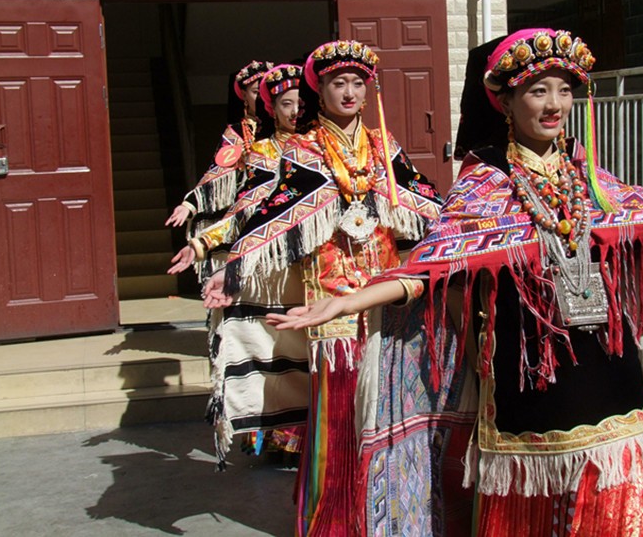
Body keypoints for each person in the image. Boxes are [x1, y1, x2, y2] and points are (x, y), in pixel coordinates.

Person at [272, 29, 643, 537]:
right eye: (538, 91)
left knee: (618, 497)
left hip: (606, 362)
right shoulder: (485, 183)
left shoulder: (590, 179)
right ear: (506, 101)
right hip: (526, 373)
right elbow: (431, 269)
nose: (554, 105)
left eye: (565, 91)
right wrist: (346, 302)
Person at [203, 40, 443, 536]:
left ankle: (390, 514)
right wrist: (232, 265)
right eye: (338, 83)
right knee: (339, 414)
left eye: (358, 83)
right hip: (328, 303)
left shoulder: (384, 147)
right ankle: (335, 518)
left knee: (385, 407)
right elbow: (262, 213)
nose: (349, 92)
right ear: (321, 89)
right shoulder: (301, 150)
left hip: (382, 297)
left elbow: (428, 204)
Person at [168, 63, 308, 467]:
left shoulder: (318, 145)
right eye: (286, 104)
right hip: (271, 263)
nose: (295, 111)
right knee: (273, 347)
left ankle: (317, 438)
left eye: (300, 102)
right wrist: (199, 232)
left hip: (316, 265)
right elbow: (240, 203)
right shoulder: (257, 150)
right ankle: (276, 435)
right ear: (270, 107)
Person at [165, 59, 275, 280]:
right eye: (256, 92)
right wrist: (190, 204)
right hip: (248, 209)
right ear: (243, 95)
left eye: (268, 90)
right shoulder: (237, 133)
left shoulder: (295, 130)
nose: (262, 97)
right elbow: (218, 174)